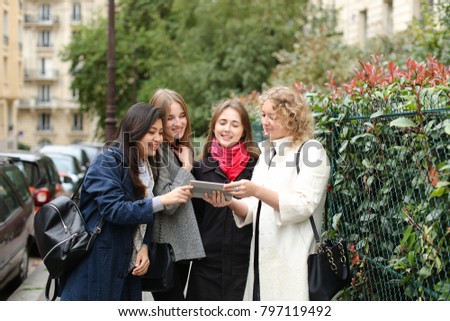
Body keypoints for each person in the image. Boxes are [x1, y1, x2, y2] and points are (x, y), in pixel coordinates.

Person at [204, 86, 330, 301]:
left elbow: (304, 205)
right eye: (263, 115)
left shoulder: (312, 150)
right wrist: (230, 202)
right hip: (262, 262)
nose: (265, 121)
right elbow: (254, 208)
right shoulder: (267, 152)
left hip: (293, 259)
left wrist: (257, 191)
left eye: (273, 116)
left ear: (292, 118)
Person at [60, 102, 193, 301]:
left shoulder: (144, 165)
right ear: (134, 131)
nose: (158, 139)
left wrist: (145, 246)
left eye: (159, 133)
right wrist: (162, 200)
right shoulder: (107, 160)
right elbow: (114, 209)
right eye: (151, 132)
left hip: (127, 266)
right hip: (98, 263)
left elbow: (143, 214)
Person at [186, 99, 260, 300]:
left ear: (244, 130)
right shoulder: (200, 168)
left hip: (245, 263)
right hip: (206, 266)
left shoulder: (258, 168)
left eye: (235, 124)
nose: (227, 129)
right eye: (222, 122)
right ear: (214, 127)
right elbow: (195, 217)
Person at [149, 89, 205, 301]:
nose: (178, 122)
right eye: (170, 117)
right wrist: (187, 166)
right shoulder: (157, 151)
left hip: (181, 246)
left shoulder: (178, 147)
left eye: (182, 116)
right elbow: (167, 201)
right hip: (167, 248)